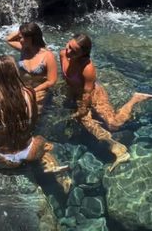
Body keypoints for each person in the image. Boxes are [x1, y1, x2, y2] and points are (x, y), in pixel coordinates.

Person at [60, 34, 152, 171]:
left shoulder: (88, 68)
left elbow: (87, 93)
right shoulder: (63, 54)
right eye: (69, 46)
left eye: (74, 50)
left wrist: (82, 109)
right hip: (75, 93)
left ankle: (135, 99)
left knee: (113, 124)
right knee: (86, 121)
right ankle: (115, 147)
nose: (68, 51)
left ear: (83, 53)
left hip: (93, 94)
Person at [0, 55, 72, 191]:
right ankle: (59, 175)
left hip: (4, 157)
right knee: (41, 140)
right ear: (15, 73)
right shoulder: (28, 93)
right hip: (29, 151)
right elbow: (33, 120)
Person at [6, 22, 58, 112]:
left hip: (39, 90)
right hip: (22, 88)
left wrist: (33, 91)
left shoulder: (47, 56)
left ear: (30, 38)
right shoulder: (23, 48)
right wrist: (21, 30)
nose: (19, 39)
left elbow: (51, 81)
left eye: (21, 37)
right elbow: (8, 39)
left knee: (33, 113)